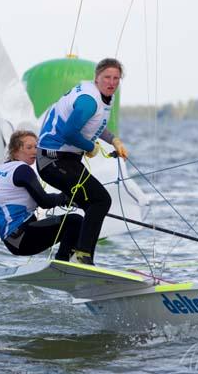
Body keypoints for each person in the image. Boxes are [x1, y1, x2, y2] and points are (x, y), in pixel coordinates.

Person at [36, 58, 128, 265]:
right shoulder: (89, 100)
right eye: (107, 77)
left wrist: (114, 140)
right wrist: (91, 147)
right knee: (101, 200)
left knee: (91, 203)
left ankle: (64, 258)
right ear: (97, 78)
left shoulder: (102, 97)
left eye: (116, 78)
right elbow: (69, 133)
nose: (111, 82)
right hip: (52, 161)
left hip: (66, 160)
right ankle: (83, 256)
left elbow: (95, 125)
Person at [0, 130, 83, 261]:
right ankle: (63, 261)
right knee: (75, 221)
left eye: (36, 147)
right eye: (29, 147)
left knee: (63, 221)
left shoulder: (2, 169)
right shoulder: (22, 170)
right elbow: (45, 202)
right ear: (15, 150)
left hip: (12, 241)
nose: (35, 151)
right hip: (23, 238)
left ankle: (68, 261)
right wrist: (65, 198)